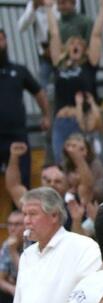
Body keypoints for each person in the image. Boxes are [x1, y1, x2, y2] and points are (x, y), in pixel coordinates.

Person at [46, 0, 103, 167]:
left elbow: (96, 35)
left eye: (79, 43)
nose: (75, 45)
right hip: (61, 122)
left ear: (85, 48)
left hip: (83, 120)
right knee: (62, 165)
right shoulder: (59, 64)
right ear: (66, 48)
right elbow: (55, 34)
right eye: (72, 43)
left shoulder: (89, 65)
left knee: (86, 164)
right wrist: (49, 9)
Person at [0, 28, 51, 191]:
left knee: (23, 183)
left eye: (1, 39)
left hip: (17, 135)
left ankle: (25, 215)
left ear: (6, 41)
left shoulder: (19, 70)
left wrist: (46, 115)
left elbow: (39, 92)